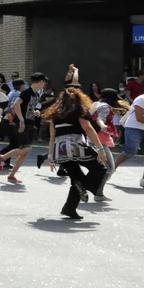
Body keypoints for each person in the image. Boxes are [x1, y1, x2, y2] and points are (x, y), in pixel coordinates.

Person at [44, 87, 108, 219]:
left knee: (77, 178)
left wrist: (50, 155)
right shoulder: (79, 110)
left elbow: (52, 136)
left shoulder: (55, 114)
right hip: (75, 146)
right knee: (100, 168)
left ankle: (69, 208)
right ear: (79, 99)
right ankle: (87, 186)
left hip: (60, 150)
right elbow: (88, 128)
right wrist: (100, 149)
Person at [0, 73, 47, 183]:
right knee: (25, 149)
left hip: (30, 124)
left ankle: (11, 175)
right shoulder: (26, 92)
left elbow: (27, 108)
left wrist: (35, 112)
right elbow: (16, 105)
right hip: (22, 124)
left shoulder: (36, 94)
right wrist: (21, 120)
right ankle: (2, 158)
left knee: (25, 152)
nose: (44, 84)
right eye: (44, 82)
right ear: (40, 82)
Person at [90, 88, 126, 201]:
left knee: (103, 167)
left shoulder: (96, 104)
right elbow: (100, 119)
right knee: (109, 168)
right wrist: (103, 126)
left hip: (93, 138)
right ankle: (96, 191)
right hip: (100, 139)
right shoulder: (105, 107)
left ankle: (97, 191)